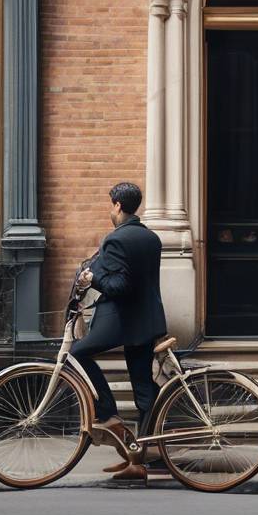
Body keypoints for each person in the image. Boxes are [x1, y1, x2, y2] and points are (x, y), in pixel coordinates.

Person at [70, 182, 167, 483]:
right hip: (147, 321)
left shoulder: (116, 240)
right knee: (143, 389)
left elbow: (119, 287)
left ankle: (109, 414)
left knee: (77, 353)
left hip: (122, 320)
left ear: (116, 205)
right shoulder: (151, 237)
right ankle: (142, 457)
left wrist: (92, 276)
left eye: (110, 205)